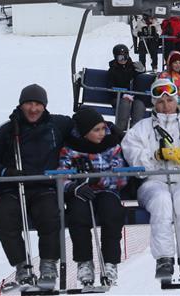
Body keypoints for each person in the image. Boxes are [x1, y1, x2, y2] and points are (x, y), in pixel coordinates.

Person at [0, 85, 73, 288]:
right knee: (4, 216)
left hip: (43, 187)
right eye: (29, 103)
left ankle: (47, 265)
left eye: (38, 104)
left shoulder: (57, 125)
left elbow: (85, 125)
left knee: (49, 214)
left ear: (45, 106)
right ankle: (22, 267)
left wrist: (111, 131)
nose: (33, 109)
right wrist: (5, 172)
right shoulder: (7, 130)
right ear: (21, 105)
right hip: (13, 188)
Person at [121, 79, 180, 279]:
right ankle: (164, 258)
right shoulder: (141, 129)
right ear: (153, 104)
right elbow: (133, 157)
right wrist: (156, 156)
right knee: (162, 202)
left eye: (169, 101)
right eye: (160, 102)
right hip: (153, 182)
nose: (165, 106)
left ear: (176, 101)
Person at [58, 107, 127, 287]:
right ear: (83, 132)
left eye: (103, 128)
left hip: (107, 191)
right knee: (78, 214)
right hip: (81, 191)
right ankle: (84, 262)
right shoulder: (71, 148)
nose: (102, 133)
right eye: (96, 130)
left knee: (112, 213)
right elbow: (61, 176)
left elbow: (120, 177)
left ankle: (110, 263)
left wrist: (97, 178)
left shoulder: (112, 145)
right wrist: (74, 186)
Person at [109, 44, 146, 131]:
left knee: (139, 105)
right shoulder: (113, 70)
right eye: (120, 58)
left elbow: (138, 79)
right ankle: (120, 131)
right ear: (115, 57)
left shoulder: (132, 67)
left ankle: (135, 132)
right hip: (118, 97)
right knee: (125, 104)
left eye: (125, 57)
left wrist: (142, 70)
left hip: (133, 97)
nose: (123, 60)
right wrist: (123, 95)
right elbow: (110, 87)